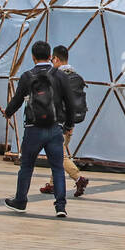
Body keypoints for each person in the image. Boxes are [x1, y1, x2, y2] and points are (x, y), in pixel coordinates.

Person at [2, 40, 70, 218]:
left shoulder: (27, 76)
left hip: (33, 128)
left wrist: (8, 112)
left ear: (33, 57)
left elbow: (17, 99)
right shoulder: (60, 76)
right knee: (57, 168)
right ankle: (60, 206)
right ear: (50, 56)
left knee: (26, 166)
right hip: (55, 128)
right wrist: (68, 125)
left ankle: (20, 201)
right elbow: (70, 102)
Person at [39, 44, 90, 198]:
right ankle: (52, 185)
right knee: (58, 152)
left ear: (55, 59)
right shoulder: (77, 76)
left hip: (57, 122)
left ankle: (78, 178)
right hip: (71, 122)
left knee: (58, 154)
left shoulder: (56, 77)